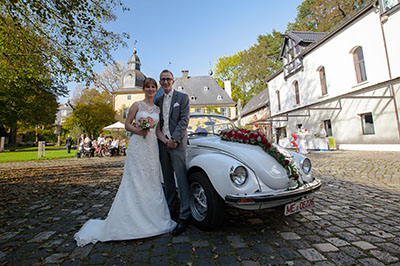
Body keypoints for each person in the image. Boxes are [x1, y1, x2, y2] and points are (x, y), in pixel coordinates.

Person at [74, 77, 176, 247]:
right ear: (143, 89)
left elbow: (157, 131)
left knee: (151, 181)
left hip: (151, 149)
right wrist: (140, 131)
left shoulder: (157, 109)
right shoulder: (137, 105)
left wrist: (166, 141)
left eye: (153, 87)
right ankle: (130, 221)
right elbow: (127, 125)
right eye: (148, 87)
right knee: (134, 180)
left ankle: (152, 219)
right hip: (137, 147)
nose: (151, 89)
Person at [154, 69, 190, 236]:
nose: (165, 82)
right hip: (163, 144)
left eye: (168, 79)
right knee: (167, 179)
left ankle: (185, 216)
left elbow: (184, 120)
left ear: (173, 81)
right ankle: (171, 210)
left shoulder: (182, 98)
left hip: (177, 144)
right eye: (163, 80)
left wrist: (174, 139)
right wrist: (165, 141)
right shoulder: (158, 101)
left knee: (181, 179)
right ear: (160, 82)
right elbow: (158, 125)